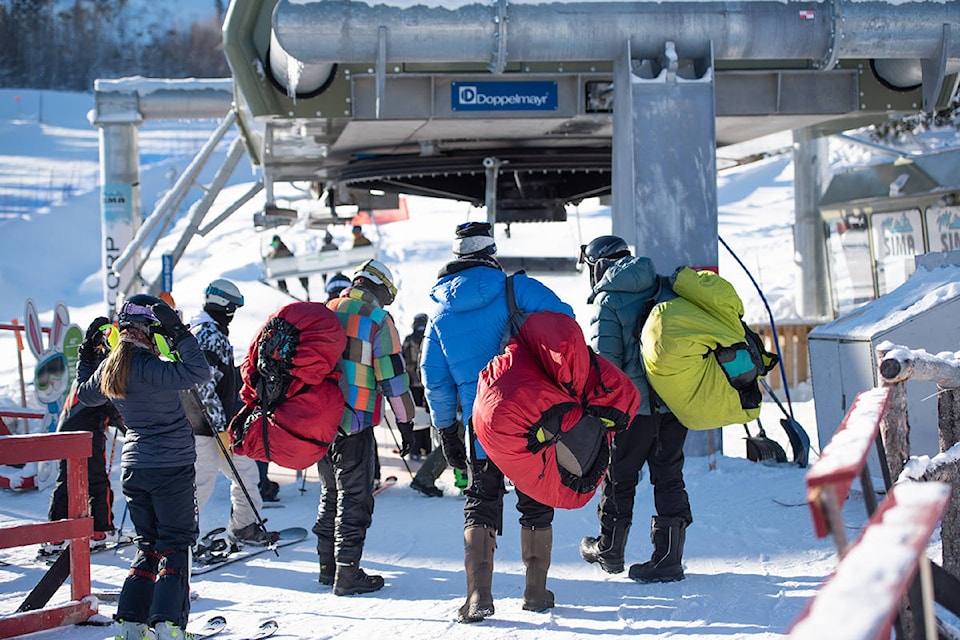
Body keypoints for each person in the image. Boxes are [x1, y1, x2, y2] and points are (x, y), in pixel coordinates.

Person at [420, 221, 574, 622]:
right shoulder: (517, 289)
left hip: (481, 422)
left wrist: (446, 427)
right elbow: (566, 321)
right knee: (535, 500)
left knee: (480, 502)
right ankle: (536, 592)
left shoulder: (439, 308)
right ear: (490, 253)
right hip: (531, 417)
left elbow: (433, 374)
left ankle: (478, 597)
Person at [77, 294, 210, 640]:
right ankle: (168, 625)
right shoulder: (150, 366)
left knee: (148, 544)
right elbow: (199, 371)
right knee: (174, 544)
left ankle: (131, 623)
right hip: (172, 465)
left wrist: (88, 358)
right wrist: (179, 331)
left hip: (135, 467)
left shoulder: (111, 368)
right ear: (149, 331)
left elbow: (85, 395)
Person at [577, 235, 692, 583]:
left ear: (599, 266)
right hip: (673, 403)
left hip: (633, 411)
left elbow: (606, 365)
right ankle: (668, 559)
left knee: (619, 477)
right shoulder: (664, 287)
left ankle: (610, 549)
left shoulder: (609, 300)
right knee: (669, 475)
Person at [314, 259, 417, 596]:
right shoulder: (377, 319)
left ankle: (326, 566)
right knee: (354, 496)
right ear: (379, 287)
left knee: (330, 492)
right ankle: (348, 572)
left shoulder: (326, 309)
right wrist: (406, 422)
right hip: (354, 420)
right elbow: (392, 377)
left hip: (319, 420)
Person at [183, 279, 277, 547]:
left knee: (247, 473)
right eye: (233, 308)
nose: (234, 314)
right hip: (206, 428)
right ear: (224, 306)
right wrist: (218, 427)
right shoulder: (208, 334)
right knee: (201, 484)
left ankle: (244, 526)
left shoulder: (202, 330)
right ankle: (180, 543)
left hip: (219, 426)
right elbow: (203, 385)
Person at [40, 317, 128, 558]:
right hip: (87, 433)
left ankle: (54, 534)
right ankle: (101, 529)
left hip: (67, 430)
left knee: (66, 482)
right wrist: (128, 428)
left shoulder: (88, 361)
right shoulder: (105, 366)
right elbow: (111, 403)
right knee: (97, 481)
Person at [401, 313, 432, 461]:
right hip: (429, 383)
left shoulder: (409, 339)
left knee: (415, 417)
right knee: (429, 417)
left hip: (412, 384)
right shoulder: (430, 337)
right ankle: (428, 448)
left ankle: (415, 450)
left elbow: (401, 359)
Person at [267, 234, 311, 300]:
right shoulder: (284, 247)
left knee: (278, 274)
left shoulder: (277, 250)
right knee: (300, 274)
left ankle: (283, 287)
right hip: (290, 268)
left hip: (281, 270)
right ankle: (305, 287)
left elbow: (270, 259)